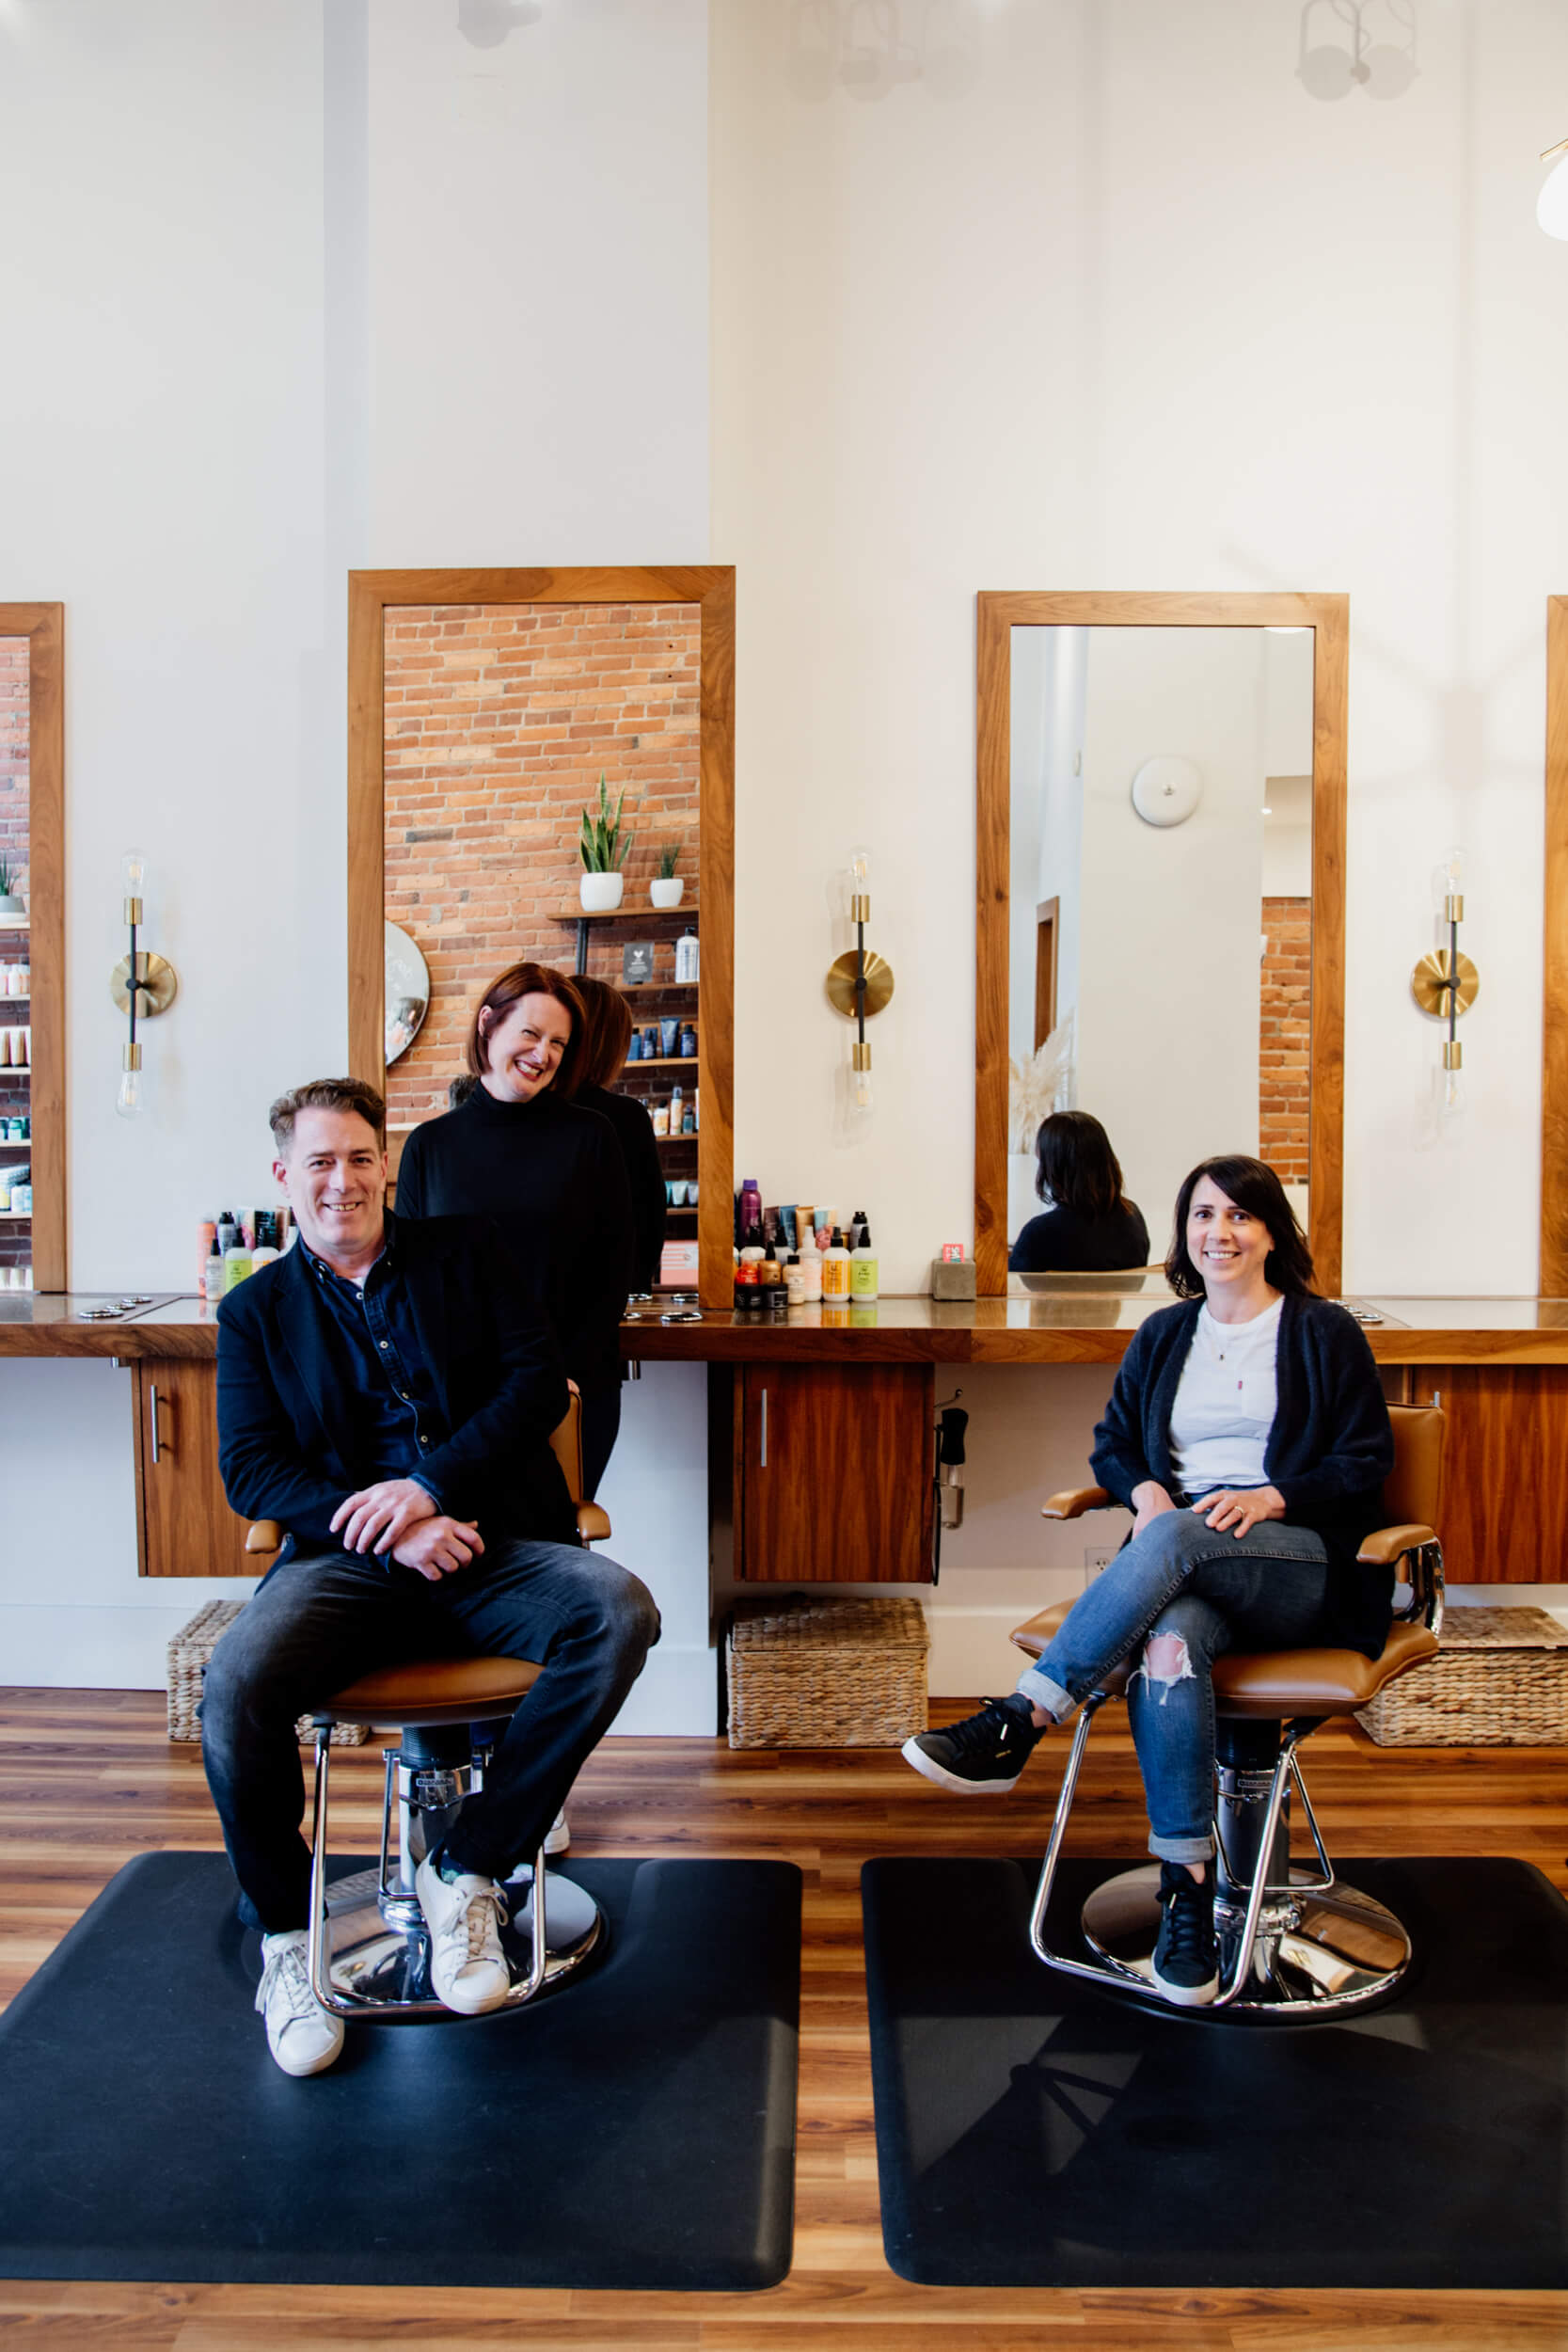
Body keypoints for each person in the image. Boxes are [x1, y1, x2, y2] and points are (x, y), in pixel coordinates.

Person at [204, 1078, 659, 2076]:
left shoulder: (469, 1253)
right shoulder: (255, 1313)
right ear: (284, 1176)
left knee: (617, 1612)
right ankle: (287, 1940)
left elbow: (536, 1383)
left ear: (386, 1166)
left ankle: (470, 1866)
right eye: (319, 1161)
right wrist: (388, 1530)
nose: (342, 1180)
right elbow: (253, 1468)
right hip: (351, 1566)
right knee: (235, 1680)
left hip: (491, 1545)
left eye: (359, 1157)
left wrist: (427, 1485)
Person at [905, 1154, 1393, 2009]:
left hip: (1299, 1566)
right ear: (1184, 1232)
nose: (1220, 1232)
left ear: (1272, 1230)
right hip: (1187, 1568)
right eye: (1203, 1215)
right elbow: (1113, 1442)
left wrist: (1274, 1493)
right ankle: (1186, 1892)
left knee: (1170, 1540)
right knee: (1167, 1648)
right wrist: (1142, 1488)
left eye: (1240, 1216)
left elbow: (1364, 1463)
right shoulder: (1166, 1334)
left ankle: (1025, 1715)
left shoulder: (1322, 1332)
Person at [394, 961, 633, 1497]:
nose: (543, 1054)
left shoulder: (591, 1136)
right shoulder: (430, 1145)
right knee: (460, 1545)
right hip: (460, 1397)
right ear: (487, 1024)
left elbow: (611, 1272)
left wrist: (557, 1377)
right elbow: (408, 1279)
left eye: (558, 1043)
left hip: (570, 1389)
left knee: (549, 1546)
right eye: (530, 1033)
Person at [571, 976, 667, 1295]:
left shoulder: (527, 1109)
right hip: (611, 1304)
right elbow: (649, 1225)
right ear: (612, 1044)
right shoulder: (625, 1117)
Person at [1008, 1109, 1150, 1274]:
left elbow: (1012, 1288)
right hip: (1117, 1301)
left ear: (1052, 1168)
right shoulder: (1133, 1218)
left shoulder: (1040, 1233)